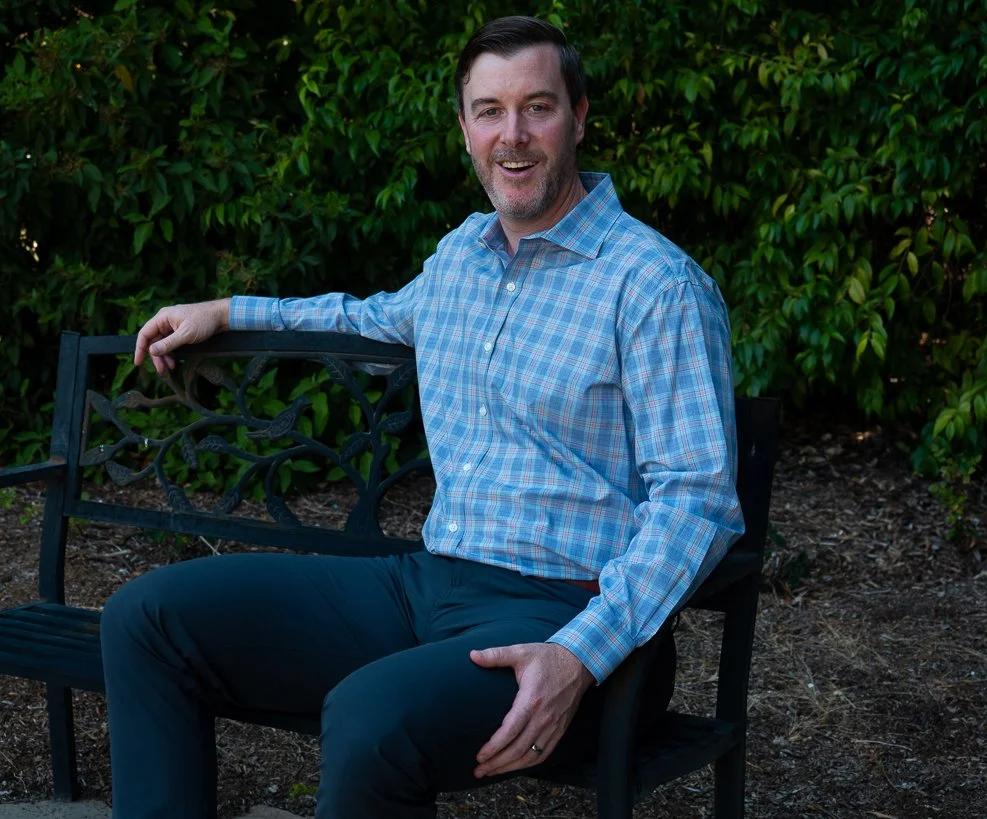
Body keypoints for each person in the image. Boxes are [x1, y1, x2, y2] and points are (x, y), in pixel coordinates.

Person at [103, 15, 744, 819]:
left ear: (579, 117)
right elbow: (366, 317)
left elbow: (697, 499)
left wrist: (581, 653)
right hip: (427, 585)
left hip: (570, 618)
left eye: (537, 107)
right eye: (489, 110)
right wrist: (227, 308)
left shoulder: (654, 285)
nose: (513, 135)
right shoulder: (461, 259)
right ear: (466, 128)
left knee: (373, 717)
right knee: (148, 619)